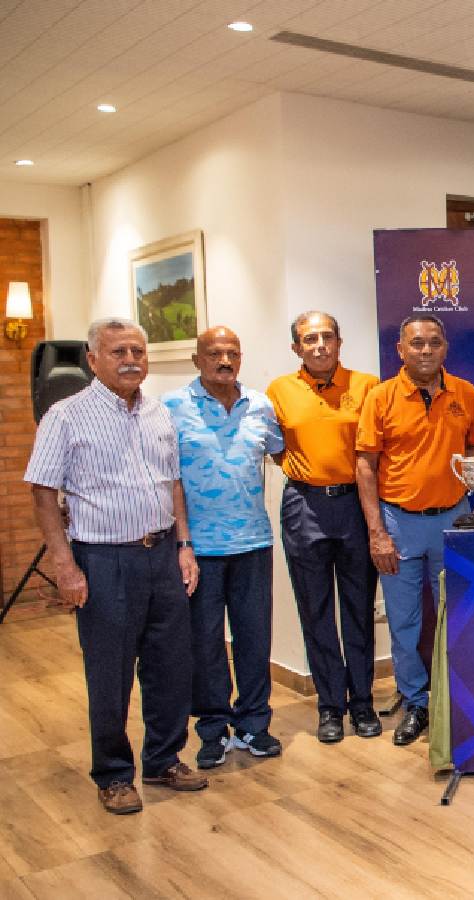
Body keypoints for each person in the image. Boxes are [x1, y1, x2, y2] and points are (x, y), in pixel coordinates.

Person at [24, 317, 208, 814]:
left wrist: (184, 545)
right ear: (92, 360)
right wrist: (65, 566)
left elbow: (173, 483)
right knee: (110, 673)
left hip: (163, 554)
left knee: (171, 665)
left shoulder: (158, 413)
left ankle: (164, 759)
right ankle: (113, 774)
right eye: (118, 352)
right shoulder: (65, 416)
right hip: (104, 559)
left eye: (137, 352)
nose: (130, 360)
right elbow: (43, 492)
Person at [356, 314, 474, 746]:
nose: (426, 350)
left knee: (458, 617)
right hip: (399, 523)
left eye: (434, 342)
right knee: (404, 623)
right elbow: (365, 466)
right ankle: (415, 703)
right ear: (401, 349)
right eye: (417, 343)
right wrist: (377, 532)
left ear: (445, 347)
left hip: (454, 519)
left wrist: (465, 486)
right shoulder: (380, 398)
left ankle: (456, 701)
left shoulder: (465, 392)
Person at [163, 327, 285, 768]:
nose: (224, 361)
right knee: (206, 644)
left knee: (254, 639)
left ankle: (254, 723)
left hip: (254, 543)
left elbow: (281, 454)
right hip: (199, 550)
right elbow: (169, 479)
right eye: (214, 353)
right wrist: (182, 542)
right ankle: (212, 728)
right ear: (197, 360)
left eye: (232, 353)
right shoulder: (171, 408)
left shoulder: (261, 406)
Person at [267, 311, 382, 744]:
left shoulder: (366, 386)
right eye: (309, 339)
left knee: (358, 608)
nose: (319, 345)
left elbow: (376, 447)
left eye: (327, 337)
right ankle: (330, 706)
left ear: (339, 342)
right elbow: (275, 447)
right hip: (305, 505)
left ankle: (363, 702)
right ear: (296, 347)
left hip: (355, 504)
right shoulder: (280, 390)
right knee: (314, 610)